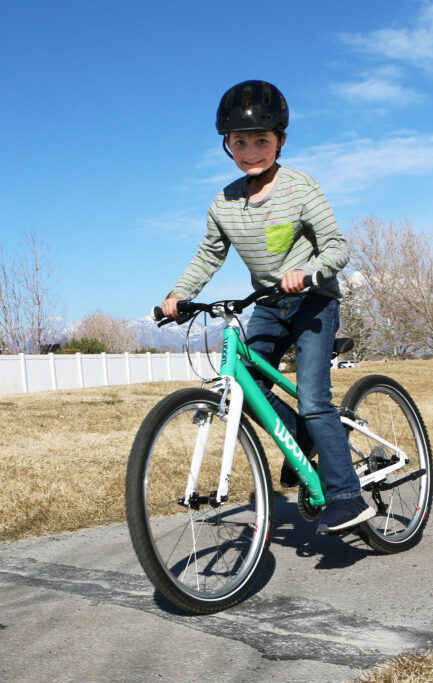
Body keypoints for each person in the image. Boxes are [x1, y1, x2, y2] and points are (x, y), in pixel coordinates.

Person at [160, 79, 374, 535]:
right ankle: (302, 437)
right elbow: (208, 255)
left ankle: (347, 497)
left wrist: (310, 271)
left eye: (262, 140)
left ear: (280, 140)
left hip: (313, 302)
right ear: (226, 145)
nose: (251, 150)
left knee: (315, 399)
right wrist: (177, 295)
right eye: (240, 141)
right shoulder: (225, 201)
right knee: (245, 385)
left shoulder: (300, 187)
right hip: (268, 305)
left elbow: (337, 246)